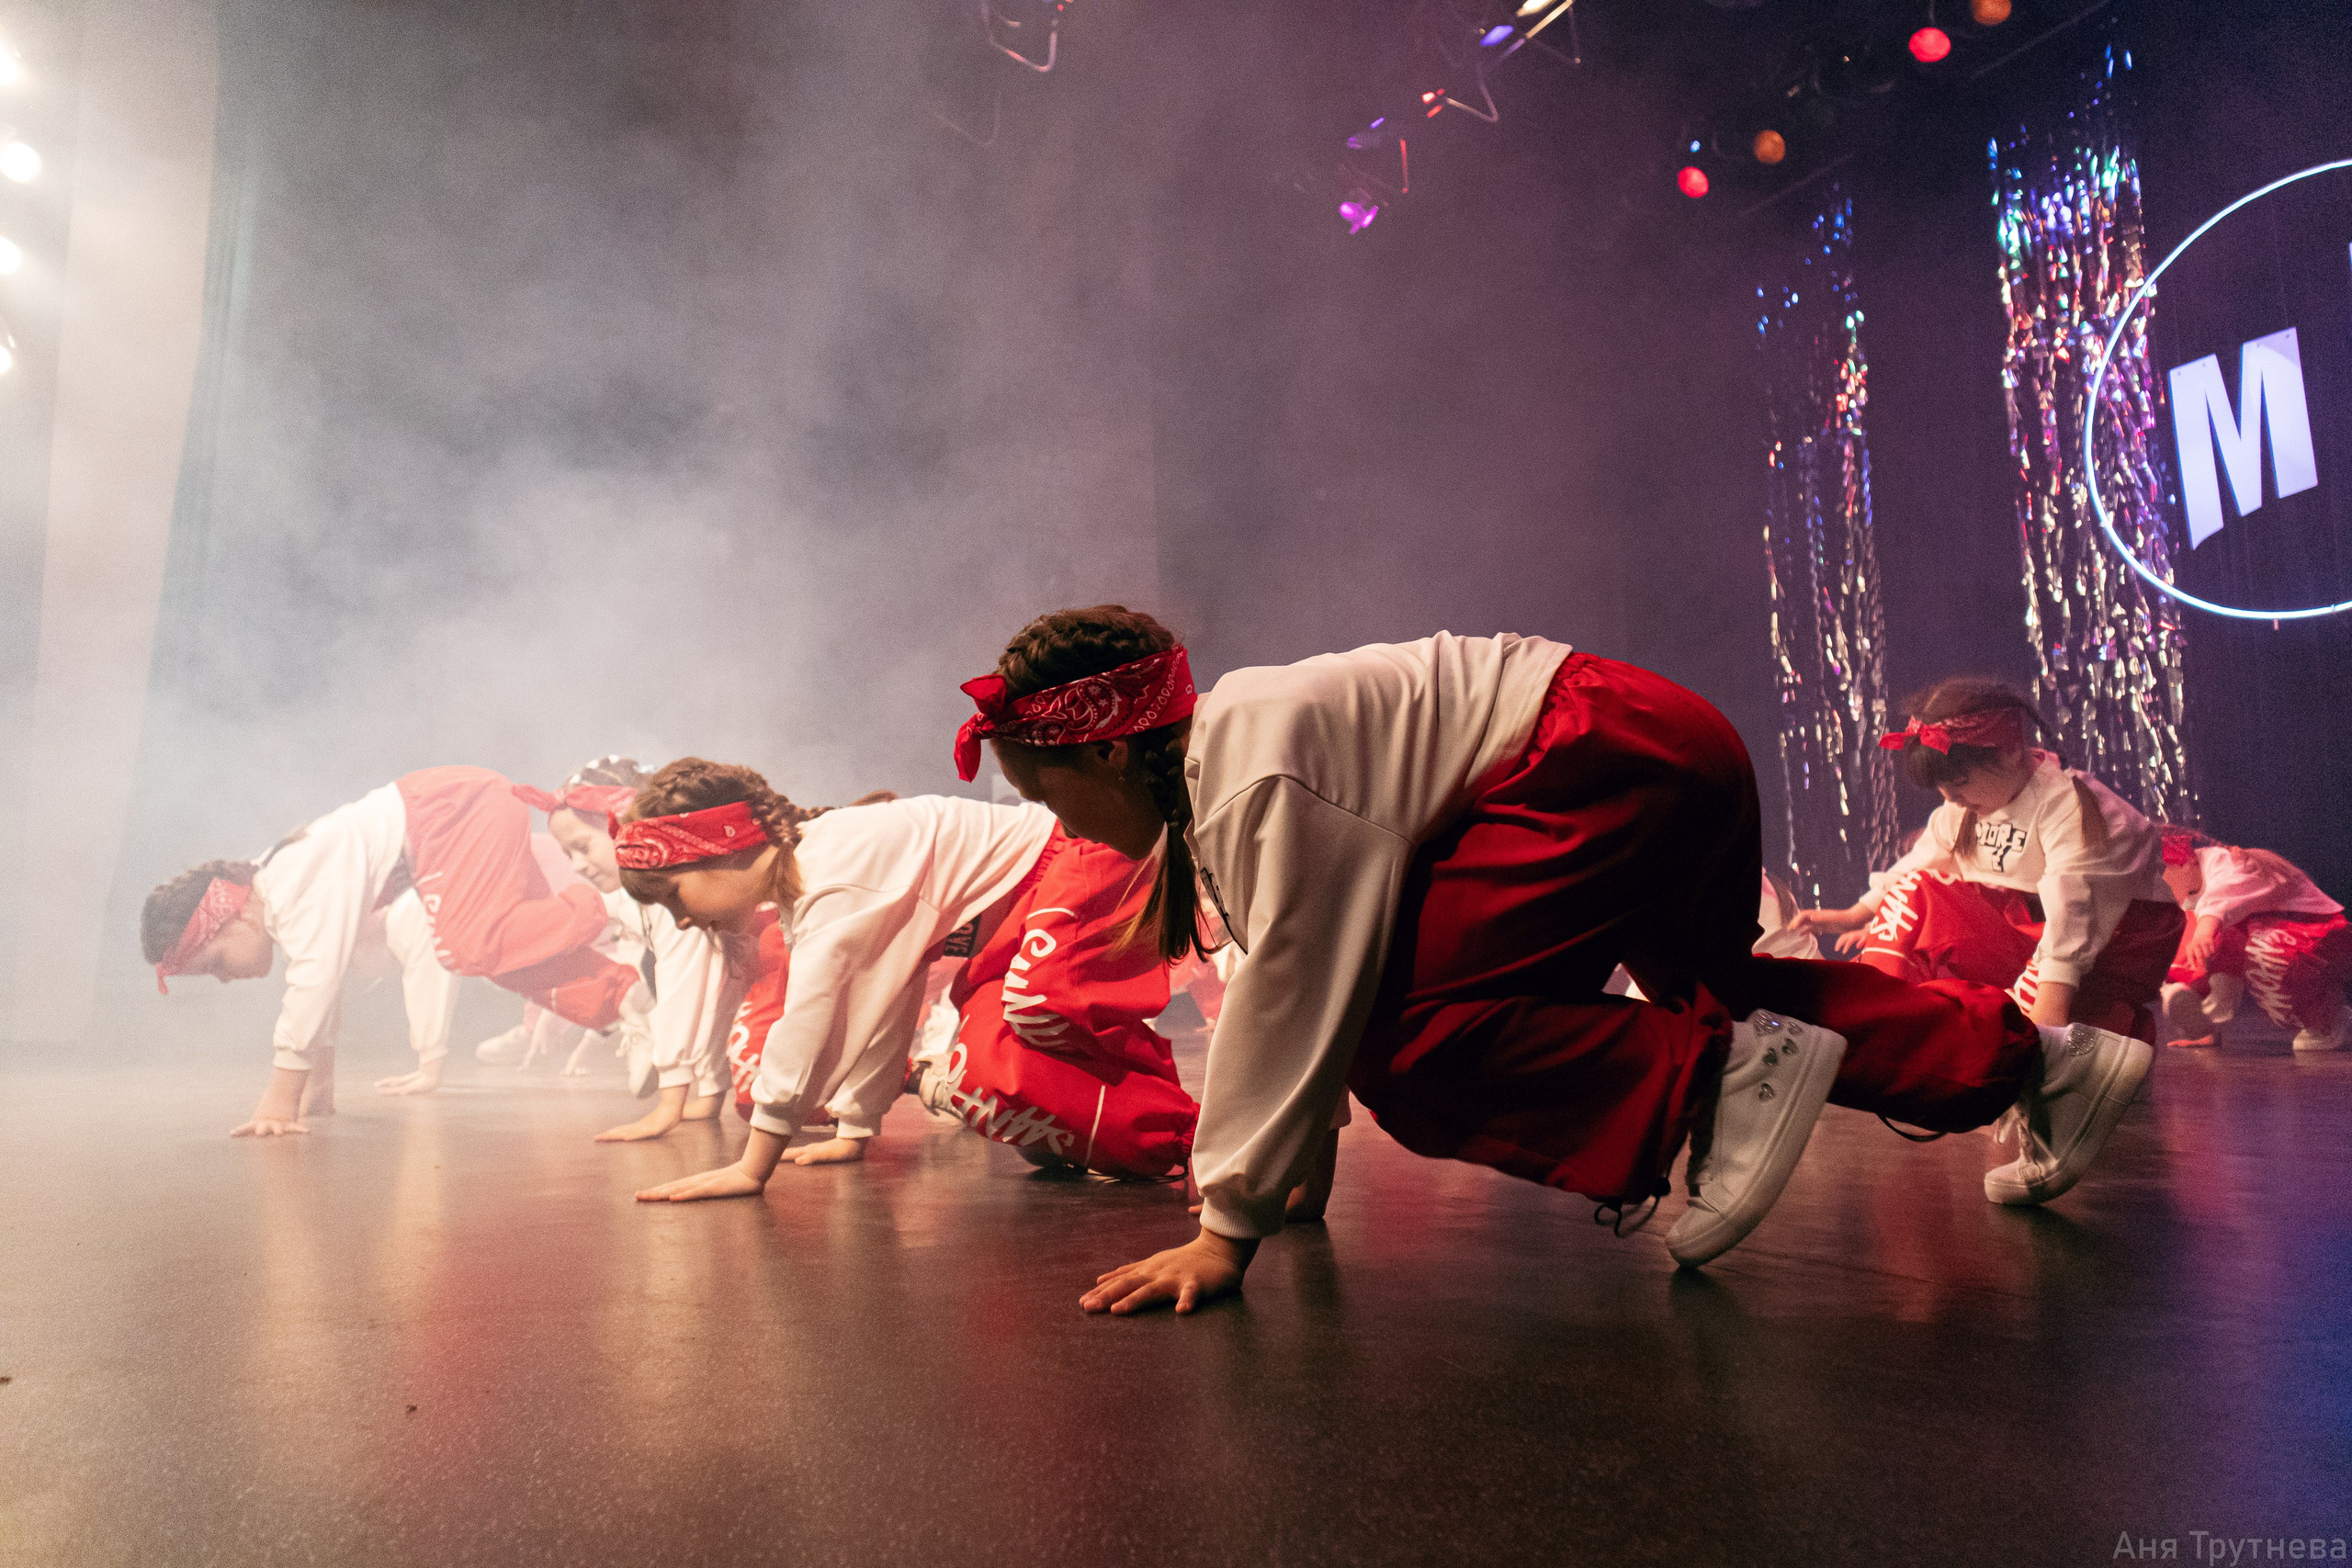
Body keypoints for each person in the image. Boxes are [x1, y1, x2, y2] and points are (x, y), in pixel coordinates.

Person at [960, 607, 2152, 1316]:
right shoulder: (1235, 750)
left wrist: (1227, 1230)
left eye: (1051, 794)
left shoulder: (1252, 770)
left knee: (1410, 1042)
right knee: (1718, 988)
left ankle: (1721, 1092)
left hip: (1595, 752)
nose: (1063, 825)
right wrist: (1291, 1174)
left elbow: (1294, 986)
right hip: (1660, 733)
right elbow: (1301, 963)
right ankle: (2044, 1061)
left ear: (1112, 758)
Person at [619, 759, 1200, 1201]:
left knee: (1016, 1030)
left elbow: (815, 1026)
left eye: (674, 897)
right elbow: (885, 999)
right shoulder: (809, 880)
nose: (684, 920)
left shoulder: (835, 875)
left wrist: (752, 1167)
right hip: (1024, 911)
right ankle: (1141, 1126)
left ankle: (1198, 1143)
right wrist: (856, 1126)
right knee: (988, 1081)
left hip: (1082, 858)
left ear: (722, 849)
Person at [143, 766, 644, 1138]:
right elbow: (324, 987)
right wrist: (316, 1093)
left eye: (215, 965)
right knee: (503, 958)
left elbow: (316, 982)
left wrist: (279, 1102)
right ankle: (631, 1004)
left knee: (468, 944)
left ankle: (612, 903)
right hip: (456, 817)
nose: (226, 979)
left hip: (456, 811)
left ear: (234, 916)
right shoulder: (279, 889)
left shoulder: (290, 882)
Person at [1793, 679, 2183, 1042]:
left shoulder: (2073, 806)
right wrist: (1854, 915)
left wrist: (2042, 1034)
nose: (1952, 797)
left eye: (1960, 783)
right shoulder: (1962, 809)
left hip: (2111, 945)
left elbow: (2075, 914)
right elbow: (1918, 867)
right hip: (2030, 934)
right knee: (1914, 893)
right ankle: (1872, 1027)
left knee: (2024, 1035)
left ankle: (2101, 1025)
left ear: (2010, 753)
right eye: (1944, 788)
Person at [514, 757, 741, 1141]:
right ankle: (713, 1089)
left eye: (583, 847)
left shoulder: (671, 892)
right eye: (569, 855)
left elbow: (684, 994)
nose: (579, 866)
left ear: (626, 826)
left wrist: (669, 1105)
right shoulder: (643, 895)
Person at [2156, 826, 2350, 1052]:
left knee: (2263, 950)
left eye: (2159, 874)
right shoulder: (2195, 888)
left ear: (2183, 863)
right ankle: (2206, 1020)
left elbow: (2222, 898)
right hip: (2267, 934)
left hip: (2316, 935)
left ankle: (2328, 1018)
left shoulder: (2232, 864)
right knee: (2190, 948)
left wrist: (2204, 931)